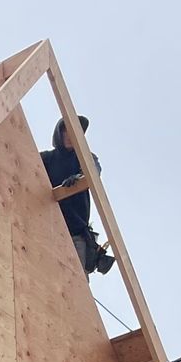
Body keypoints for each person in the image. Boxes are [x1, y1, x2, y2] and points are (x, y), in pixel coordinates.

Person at [40, 115, 115, 276]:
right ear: (59, 133)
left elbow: (94, 173)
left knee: (76, 282)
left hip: (76, 234)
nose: (70, 136)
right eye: (66, 131)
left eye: (75, 132)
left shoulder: (84, 157)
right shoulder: (47, 159)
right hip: (48, 229)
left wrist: (80, 178)